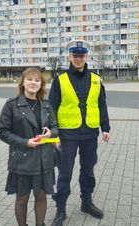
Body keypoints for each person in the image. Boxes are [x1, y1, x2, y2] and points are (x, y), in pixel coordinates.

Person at [49, 40, 111, 226]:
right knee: (65, 172)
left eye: (81, 55)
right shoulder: (60, 80)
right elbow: (51, 108)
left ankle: (86, 202)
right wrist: (54, 134)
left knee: (88, 170)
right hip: (67, 134)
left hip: (90, 133)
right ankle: (60, 209)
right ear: (69, 56)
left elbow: (101, 105)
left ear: (86, 57)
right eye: (75, 55)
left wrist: (105, 128)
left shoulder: (95, 79)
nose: (78, 59)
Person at [0, 67, 59, 226]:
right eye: (30, 79)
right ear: (23, 82)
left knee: (41, 197)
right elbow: (3, 132)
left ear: (41, 84)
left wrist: (50, 133)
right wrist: (25, 142)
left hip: (44, 160)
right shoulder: (12, 105)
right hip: (23, 160)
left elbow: (55, 127)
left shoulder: (46, 105)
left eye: (37, 80)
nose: (33, 82)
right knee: (22, 198)